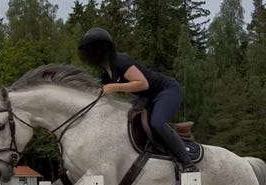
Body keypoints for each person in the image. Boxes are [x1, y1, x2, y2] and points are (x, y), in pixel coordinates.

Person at [78, 27, 198, 172]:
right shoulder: (105, 75)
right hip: (147, 98)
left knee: (157, 123)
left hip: (166, 91)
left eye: (91, 49)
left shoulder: (120, 61)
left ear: (101, 49)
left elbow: (142, 83)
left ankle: (188, 163)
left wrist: (114, 87)